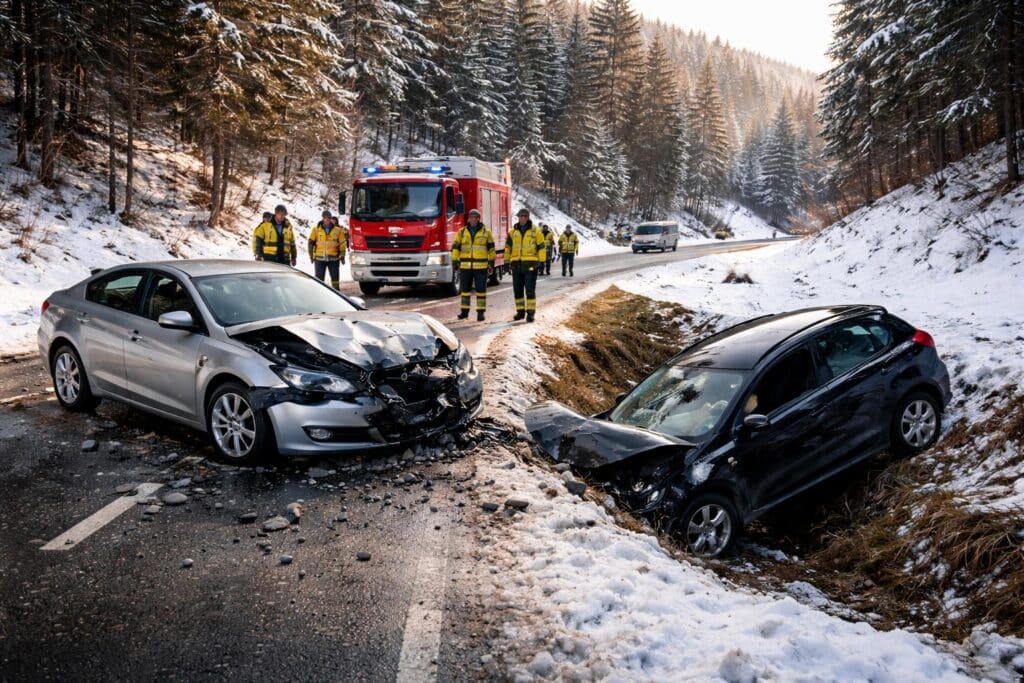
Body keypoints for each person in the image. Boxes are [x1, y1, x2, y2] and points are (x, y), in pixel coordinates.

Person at [451, 208, 496, 322]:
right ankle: (464, 312)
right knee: (465, 290)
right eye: (471, 217)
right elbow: (455, 248)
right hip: (466, 267)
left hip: (481, 267)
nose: (473, 219)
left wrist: (491, 262)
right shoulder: (461, 232)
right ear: (468, 218)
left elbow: (491, 249)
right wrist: (455, 261)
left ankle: (480, 313)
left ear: (478, 219)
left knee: (481, 291)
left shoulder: (487, 232)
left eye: (475, 217)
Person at [505, 208, 546, 322]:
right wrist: (506, 262)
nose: (522, 218)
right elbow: (508, 248)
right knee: (517, 290)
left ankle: (531, 313)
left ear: (528, 217)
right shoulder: (513, 232)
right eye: (520, 216)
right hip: (516, 266)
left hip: (530, 265)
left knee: (529, 290)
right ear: (518, 217)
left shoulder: (536, 231)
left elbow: (542, 247)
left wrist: (541, 262)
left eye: (524, 216)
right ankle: (520, 312)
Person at [308, 210, 347, 289]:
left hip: (333, 259)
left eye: (329, 218)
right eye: (325, 218)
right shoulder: (316, 230)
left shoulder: (338, 230)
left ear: (331, 219)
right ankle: (319, 296)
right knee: (319, 281)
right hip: (319, 259)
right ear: (323, 219)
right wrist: (311, 255)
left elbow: (342, 243)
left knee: (335, 280)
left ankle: (337, 294)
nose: (327, 220)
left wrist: (342, 255)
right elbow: (310, 242)